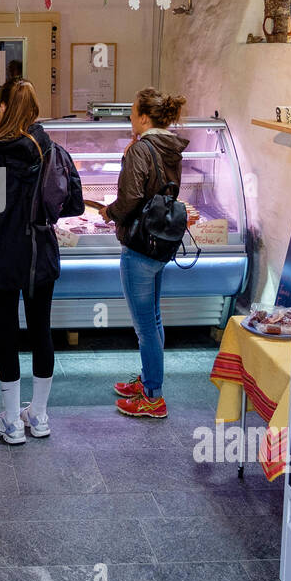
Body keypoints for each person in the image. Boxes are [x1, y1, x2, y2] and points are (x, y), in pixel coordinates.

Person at [0, 79, 83, 444]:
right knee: (41, 331)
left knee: (6, 335)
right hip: (40, 254)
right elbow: (75, 205)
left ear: (3, 108)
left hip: (1, 253)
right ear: (34, 110)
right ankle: (40, 416)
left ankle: (13, 422)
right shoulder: (56, 151)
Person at [98, 87, 189, 419]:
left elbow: (131, 197)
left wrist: (110, 212)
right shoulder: (170, 147)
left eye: (133, 112)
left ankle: (153, 397)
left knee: (145, 326)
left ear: (145, 117)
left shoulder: (141, 149)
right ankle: (150, 382)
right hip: (160, 242)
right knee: (153, 318)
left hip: (139, 245)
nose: (130, 118)